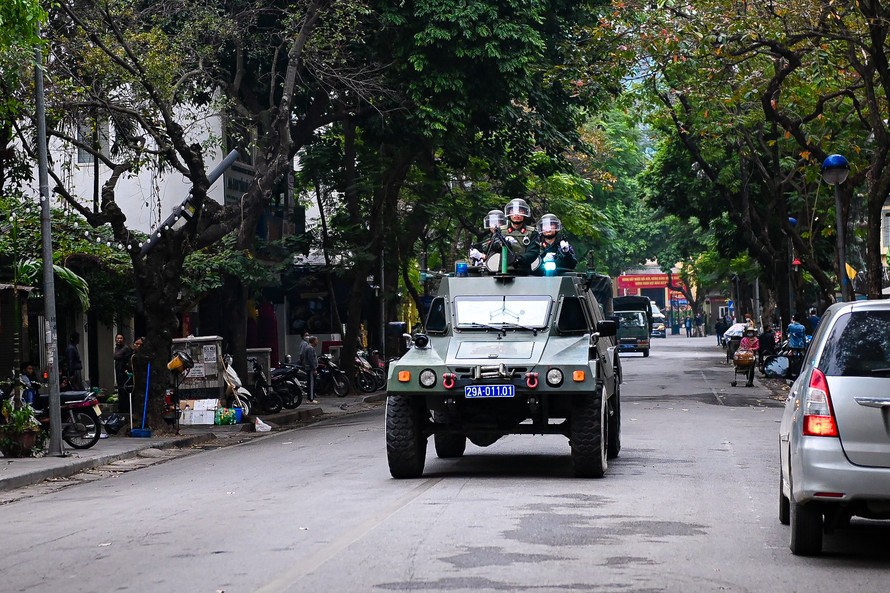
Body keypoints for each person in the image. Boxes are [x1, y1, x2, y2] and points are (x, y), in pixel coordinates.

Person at [487, 198, 541, 273]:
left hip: (524, 272)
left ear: (525, 213)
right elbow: (492, 246)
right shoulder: (500, 230)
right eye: (513, 211)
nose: (516, 214)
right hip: (503, 271)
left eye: (520, 211)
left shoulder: (532, 232)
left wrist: (518, 259)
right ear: (509, 213)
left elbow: (533, 252)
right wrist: (501, 244)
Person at [113, 334, 133, 412]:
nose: (119, 340)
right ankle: (121, 407)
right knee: (120, 389)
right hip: (118, 370)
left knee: (124, 389)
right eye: (118, 338)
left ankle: (126, 408)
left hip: (124, 371)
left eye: (121, 338)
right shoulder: (116, 348)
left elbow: (116, 356)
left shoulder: (126, 348)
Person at [302, 335, 319, 403]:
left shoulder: (309, 348)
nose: (317, 342)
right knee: (311, 384)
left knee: (311, 383)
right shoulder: (310, 348)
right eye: (316, 340)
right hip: (310, 369)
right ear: (313, 341)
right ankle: (311, 399)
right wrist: (314, 369)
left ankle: (311, 397)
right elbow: (311, 359)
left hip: (310, 368)